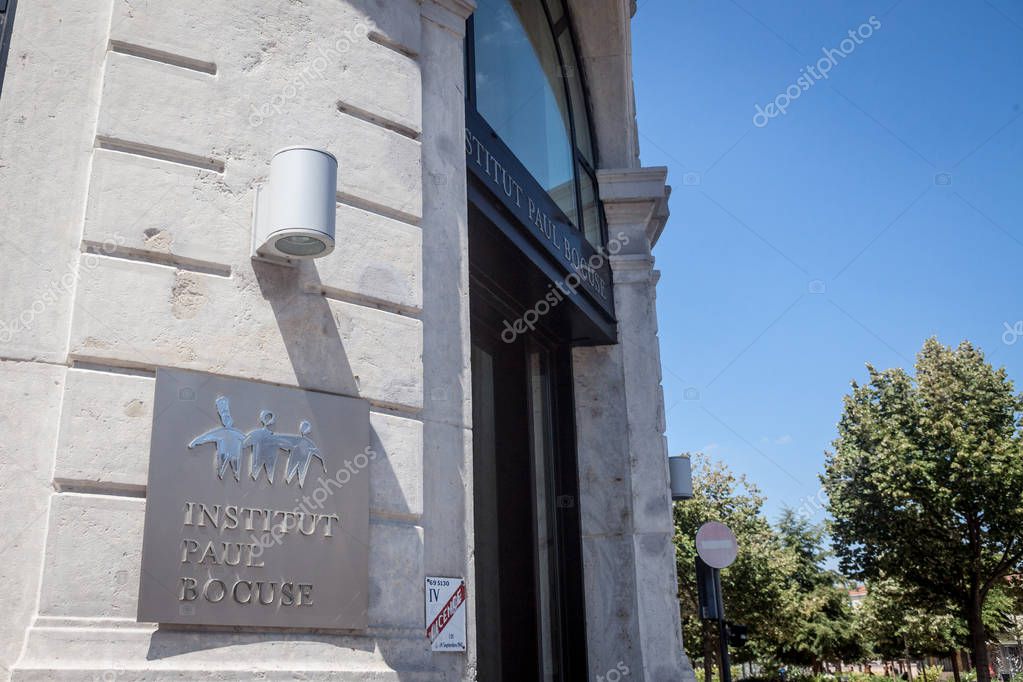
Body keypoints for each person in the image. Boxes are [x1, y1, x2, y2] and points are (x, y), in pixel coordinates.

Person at [188, 396, 244, 480]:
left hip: (235, 455)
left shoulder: (236, 433)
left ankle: (235, 476)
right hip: (223, 454)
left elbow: (247, 440)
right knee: (222, 471)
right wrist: (195, 442)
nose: (227, 421)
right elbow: (206, 437)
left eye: (228, 418)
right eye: (225, 418)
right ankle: (225, 475)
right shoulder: (221, 432)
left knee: (235, 471)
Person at [280, 421, 325, 487]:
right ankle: (291, 480)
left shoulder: (308, 442)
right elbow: (284, 440)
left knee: (301, 473)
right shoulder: (300, 440)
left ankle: (298, 482)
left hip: (302, 459)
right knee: (292, 473)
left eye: (306, 428)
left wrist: (323, 464)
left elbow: (317, 452)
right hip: (295, 458)